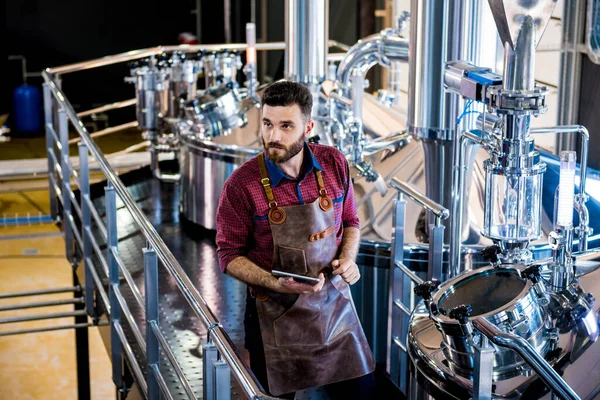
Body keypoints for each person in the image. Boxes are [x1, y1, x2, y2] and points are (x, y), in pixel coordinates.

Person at [216, 81, 376, 399]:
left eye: (286, 126)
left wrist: (349, 258)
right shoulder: (241, 185)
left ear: (308, 127)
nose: (273, 136)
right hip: (273, 319)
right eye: (267, 124)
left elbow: (351, 222)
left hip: (334, 311)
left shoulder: (334, 164)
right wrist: (276, 284)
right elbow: (228, 254)